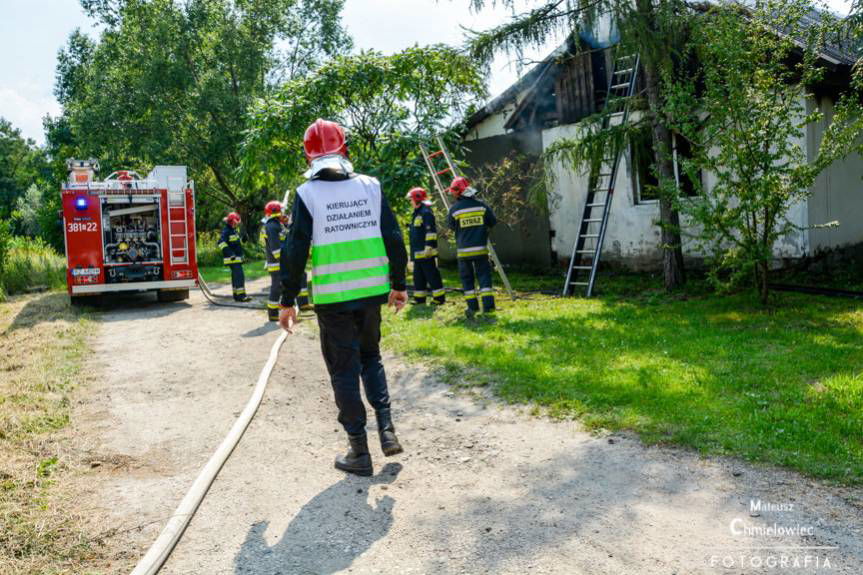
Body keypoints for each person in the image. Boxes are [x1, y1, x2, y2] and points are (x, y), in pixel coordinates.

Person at [279, 118, 408, 477]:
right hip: (371, 292)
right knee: (371, 357)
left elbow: (294, 250)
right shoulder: (371, 186)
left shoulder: (307, 194)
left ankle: (359, 452)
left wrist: (287, 300)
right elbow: (394, 237)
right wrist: (399, 283)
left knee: (344, 370)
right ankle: (386, 429)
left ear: (308, 157)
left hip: (333, 298)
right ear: (345, 148)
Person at [446, 176, 497, 317]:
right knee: (484, 278)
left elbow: (451, 226)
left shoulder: (454, 209)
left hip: (463, 253)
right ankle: (488, 308)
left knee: (467, 280)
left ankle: (472, 308)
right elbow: (492, 222)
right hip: (480, 251)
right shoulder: (481, 206)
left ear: (458, 192)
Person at [406, 187, 445, 305]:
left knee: (432, 275)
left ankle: (439, 298)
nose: (410, 202)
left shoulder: (426, 212)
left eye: (411, 199)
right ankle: (419, 298)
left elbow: (431, 231)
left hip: (426, 252)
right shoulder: (416, 213)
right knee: (418, 276)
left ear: (417, 199)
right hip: (418, 252)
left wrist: (429, 246)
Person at [218, 212, 251, 302]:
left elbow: (236, 243)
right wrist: (230, 254)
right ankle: (241, 296)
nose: (237, 224)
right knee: (239, 276)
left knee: (236, 276)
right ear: (232, 221)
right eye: (236, 222)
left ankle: (236, 295)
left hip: (236, 258)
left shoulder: (233, 231)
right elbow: (221, 243)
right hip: (232, 258)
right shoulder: (227, 231)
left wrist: (243, 239)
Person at [263, 201, 285, 321]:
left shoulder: (277, 224)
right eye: (281, 210)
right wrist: (284, 259)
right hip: (276, 262)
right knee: (276, 286)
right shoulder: (271, 226)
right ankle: (272, 313)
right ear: (275, 212)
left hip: (279, 262)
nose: (283, 212)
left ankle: (280, 309)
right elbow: (276, 249)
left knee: (280, 286)